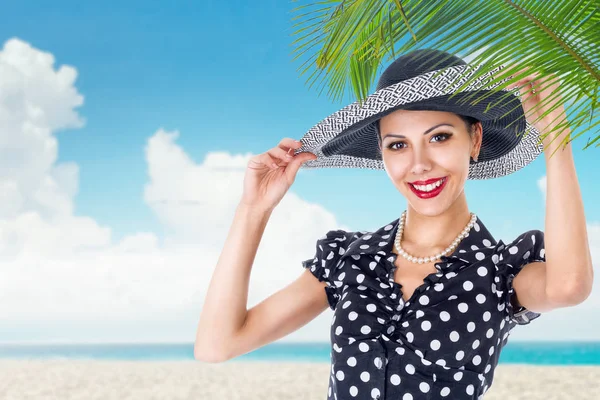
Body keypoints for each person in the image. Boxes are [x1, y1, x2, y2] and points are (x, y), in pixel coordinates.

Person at [194, 49, 593, 400]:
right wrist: (254, 209)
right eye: (398, 144)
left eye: (439, 137)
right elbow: (217, 345)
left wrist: (555, 136)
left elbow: (568, 286)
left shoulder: (499, 272)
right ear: (382, 155)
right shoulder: (351, 260)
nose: (419, 163)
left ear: (474, 141)